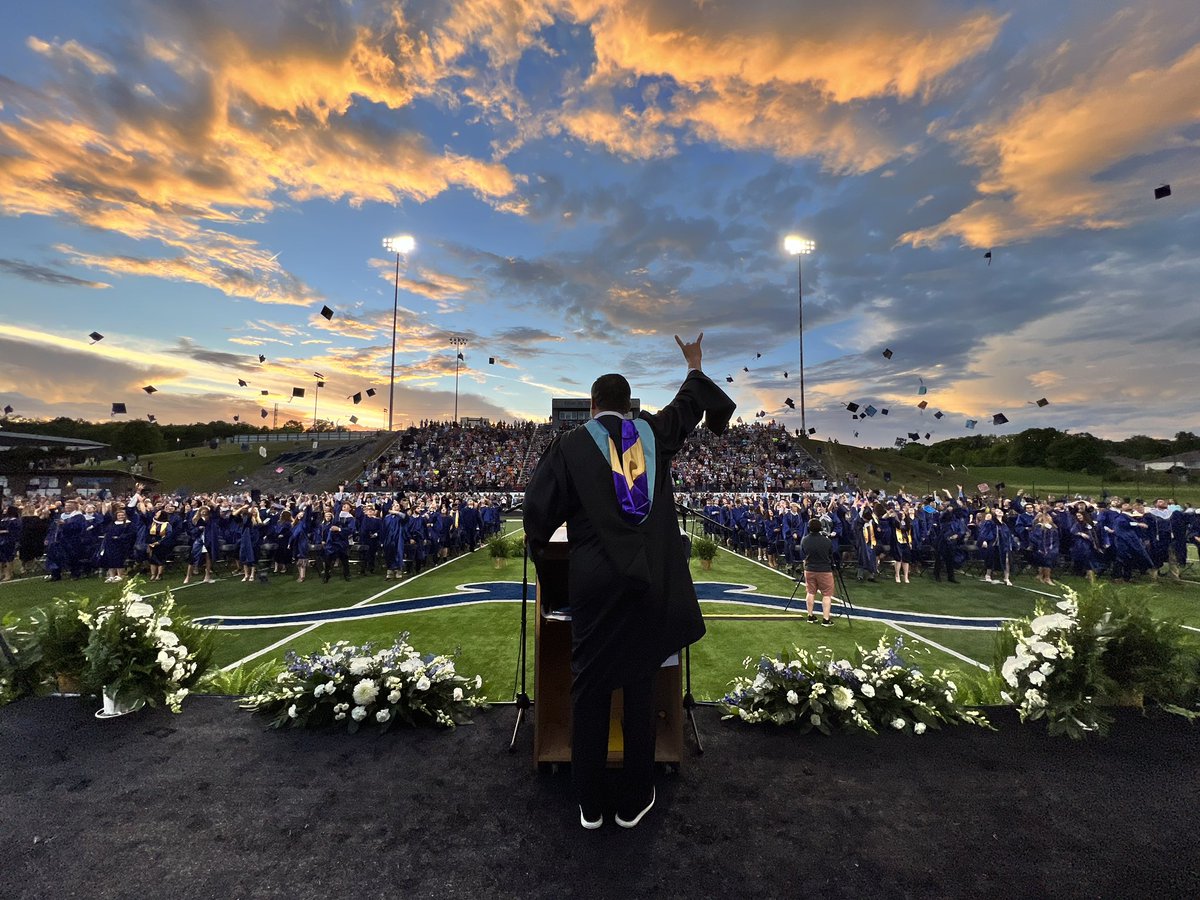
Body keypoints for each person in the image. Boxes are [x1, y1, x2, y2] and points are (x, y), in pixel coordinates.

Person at [524, 332, 734, 831]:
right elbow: (689, 405)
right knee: (640, 687)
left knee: (590, 688)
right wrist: (694, 363)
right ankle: (636, 796)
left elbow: (537, 514)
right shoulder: (654, 433)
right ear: (628, 404)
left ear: (593, 405)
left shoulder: (570, 446)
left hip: (594, 584)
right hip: (651, 585)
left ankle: (589, 801)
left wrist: (546, 565)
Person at [800, 518, 836, 626]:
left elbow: (803, 554)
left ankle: (810, 615)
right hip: (824, 570)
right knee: (826, 594)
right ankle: (826, 618)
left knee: (810, 592)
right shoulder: (827, 541)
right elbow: (831, 554)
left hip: (810, 569)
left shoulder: (804, 540)